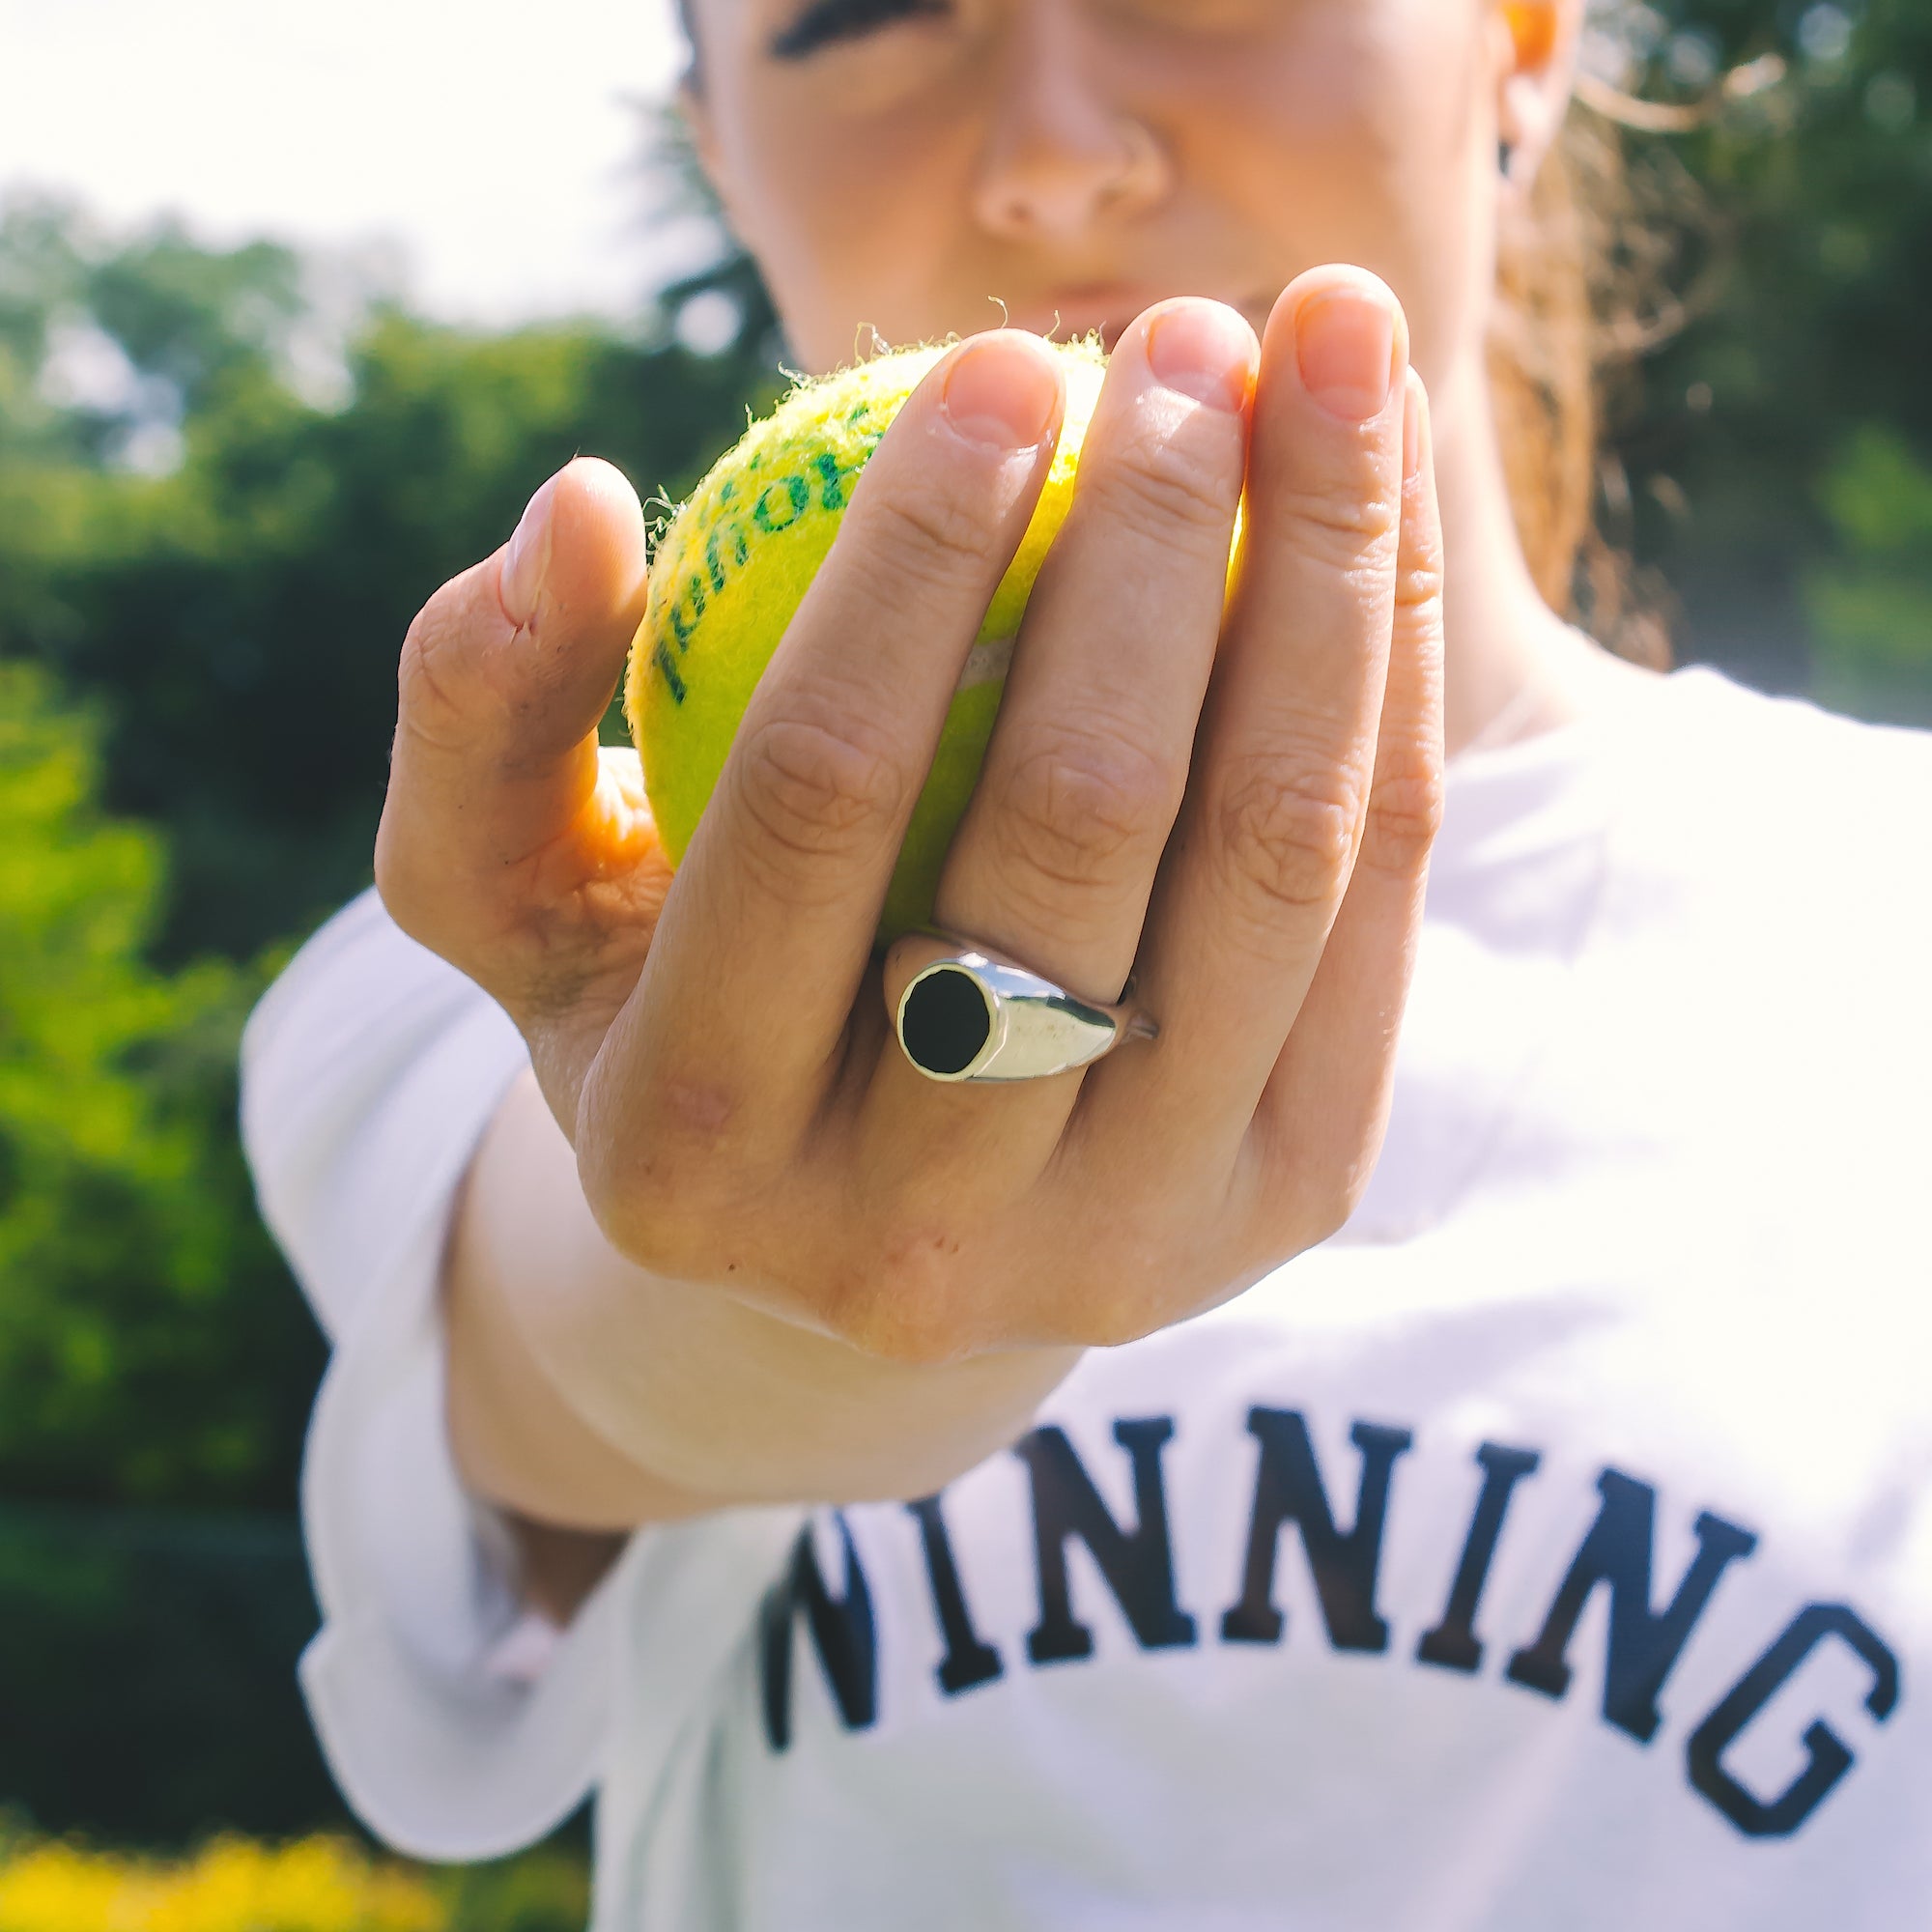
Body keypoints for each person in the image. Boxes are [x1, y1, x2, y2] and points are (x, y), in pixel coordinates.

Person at [240, 0, 1932, 1925]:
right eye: (862, 16)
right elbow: (614, 1322)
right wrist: (794, 1267)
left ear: (1520, 43)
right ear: (720, 145)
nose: (1052, 146)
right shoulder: (522, 948)